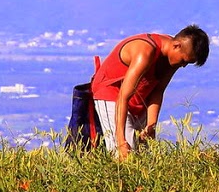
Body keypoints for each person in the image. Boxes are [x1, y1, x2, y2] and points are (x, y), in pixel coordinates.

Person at [90, 25, 210, 158]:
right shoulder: (145, 51)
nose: (183, 65)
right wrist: (120, 141)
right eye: (184, 61)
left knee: (143, 155)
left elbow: (157, 91)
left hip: (139, 99)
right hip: (112, 94)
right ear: (176, 45)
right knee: (125, 155)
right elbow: (123, 97)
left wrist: (150, 126)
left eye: (188, 63)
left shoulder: (172, 57)